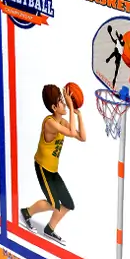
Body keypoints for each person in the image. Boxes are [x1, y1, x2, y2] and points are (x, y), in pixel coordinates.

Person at [20, 84, 86, 245]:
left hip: (53, 171)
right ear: (54, 107)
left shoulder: (62, 122)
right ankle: (26, 212)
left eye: (64, 101)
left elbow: (82, 137)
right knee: (54, 203)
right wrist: (71, 107)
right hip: (43, 167)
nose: (65, 104)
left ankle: (50, 228)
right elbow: (72, 132)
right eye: (62, 101)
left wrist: (78, 115)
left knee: (68, 204)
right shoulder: (49, 123)